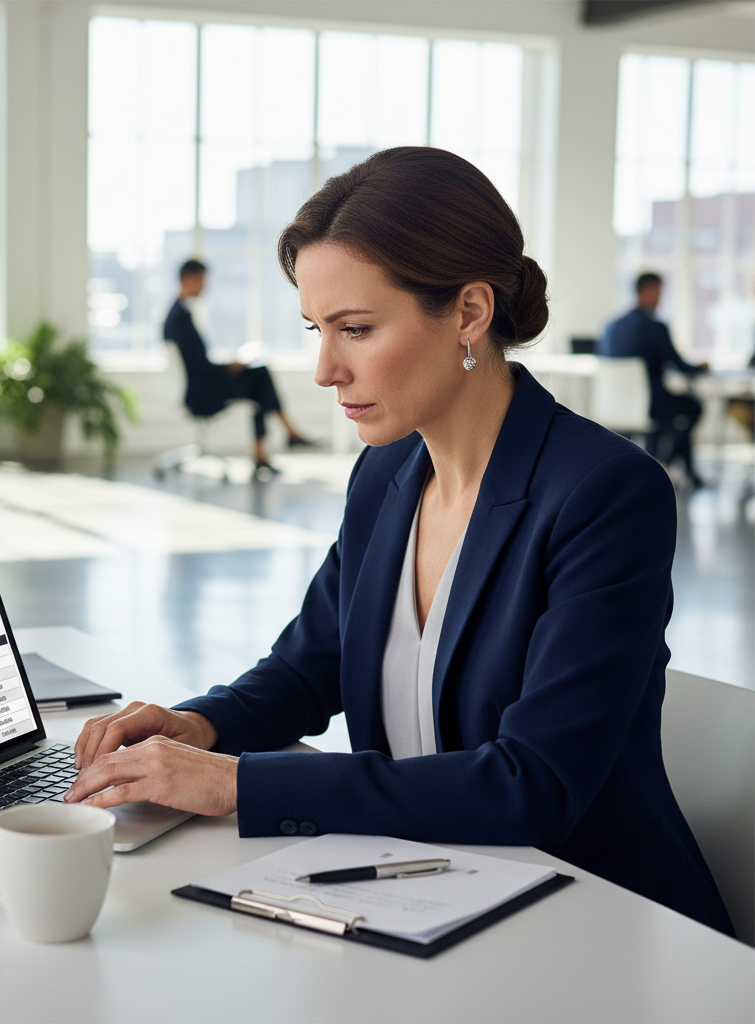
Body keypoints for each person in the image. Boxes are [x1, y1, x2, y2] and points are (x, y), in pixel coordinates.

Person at [67, 148, 733, 936]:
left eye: (355, 329)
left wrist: (238, 784)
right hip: (426, 891)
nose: (323, 370)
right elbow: (306, 669)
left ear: (469, 313)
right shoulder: (386, 475)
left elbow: (535, 783)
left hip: (595, 917)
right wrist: (199, 729)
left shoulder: (606, 493)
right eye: (318, 330)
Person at [163, 259, 315, 475]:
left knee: (258, 380)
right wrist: (230, 366)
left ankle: (271, 447)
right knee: (260, 377)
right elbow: (199, 367)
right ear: (189, 279)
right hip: (200, 392)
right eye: (202, 281)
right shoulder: (180, 319)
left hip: (199, 385)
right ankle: (282, 438)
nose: (205, 287)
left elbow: (196, 362)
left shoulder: (177, 314)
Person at [600, 272, 708, 488]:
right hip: (650, 405)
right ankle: (664, 460)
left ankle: (673, 466)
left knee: (675, 412)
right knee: (692, 407)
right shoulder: (654, 327)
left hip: (615, 405)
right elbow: (678, 364)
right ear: (649, 290)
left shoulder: (610, 327)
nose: (660, 298)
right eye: (659, 292)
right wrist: (701, 368)